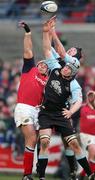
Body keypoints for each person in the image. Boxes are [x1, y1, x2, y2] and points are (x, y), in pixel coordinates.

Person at [37, 17, 95, 180]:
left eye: (72, 51)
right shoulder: (57, 66)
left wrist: (53, 33)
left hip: (64, 110)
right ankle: (43, 174)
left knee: (71, 143)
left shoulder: (74, 66)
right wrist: (47, 32)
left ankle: (78, 170)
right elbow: (48, 48)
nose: (69, 52)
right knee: (46, 141)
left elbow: (61, 51)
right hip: (48, 109)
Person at [14, 21, 48, 180]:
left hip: (37, 111)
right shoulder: (30, 69)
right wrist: (28, 32)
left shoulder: (47, 81)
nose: (42, 65)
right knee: (32, 138)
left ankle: (34, 174)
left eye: (45, 65)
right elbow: (28, 49)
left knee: (39, 141)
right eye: (40, 63)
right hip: (24, 107)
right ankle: (27, 175)